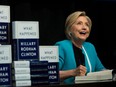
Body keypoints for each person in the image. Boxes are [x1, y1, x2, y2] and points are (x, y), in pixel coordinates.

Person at [55, 11, 106, 84]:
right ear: (69, 29)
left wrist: (112, 73)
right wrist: (73, 72)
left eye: (87, 25)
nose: (84, 27)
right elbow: (50, 74)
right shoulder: (61, 46)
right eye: (79, 23)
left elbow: (101, 70)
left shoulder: (90, 47)